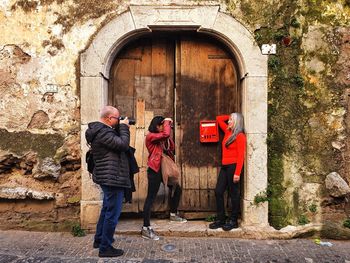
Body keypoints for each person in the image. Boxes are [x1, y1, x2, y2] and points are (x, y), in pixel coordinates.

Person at [85, 105, 130, 257]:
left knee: (106, 209)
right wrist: (124, 128)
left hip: (108, 176)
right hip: (112, 178)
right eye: (117, 118)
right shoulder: (103, 132)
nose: (119, 121)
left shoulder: (101, 131)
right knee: (113, 213)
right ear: (109, 118)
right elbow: (123, 145)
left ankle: (99, 240)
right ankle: (105, 248)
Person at [141, 116, 187, 240]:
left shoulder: (161, 137)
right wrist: (167, 122)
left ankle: (173, 214)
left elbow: (171, 147)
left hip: (164, 169)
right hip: (155, 170)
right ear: (157, 126)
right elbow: (166, 134)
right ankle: (146, 228)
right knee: (150, 198)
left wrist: (168, 131)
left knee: (177, 189)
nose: (165, 127)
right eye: (162, 124)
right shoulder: (150, 136)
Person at [209, 113, 246, 231]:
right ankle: (221, 219)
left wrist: (237, 173)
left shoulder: (240, 136)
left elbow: (241, 156)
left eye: (231, 120)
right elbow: (219, 118)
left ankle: (233, 220)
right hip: (225, 167)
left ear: (236, 122)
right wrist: (232, 114)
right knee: (218, 191)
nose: (228, 121)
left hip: (233, 167)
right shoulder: (227, 131)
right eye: (229, 120)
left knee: (234, 194)